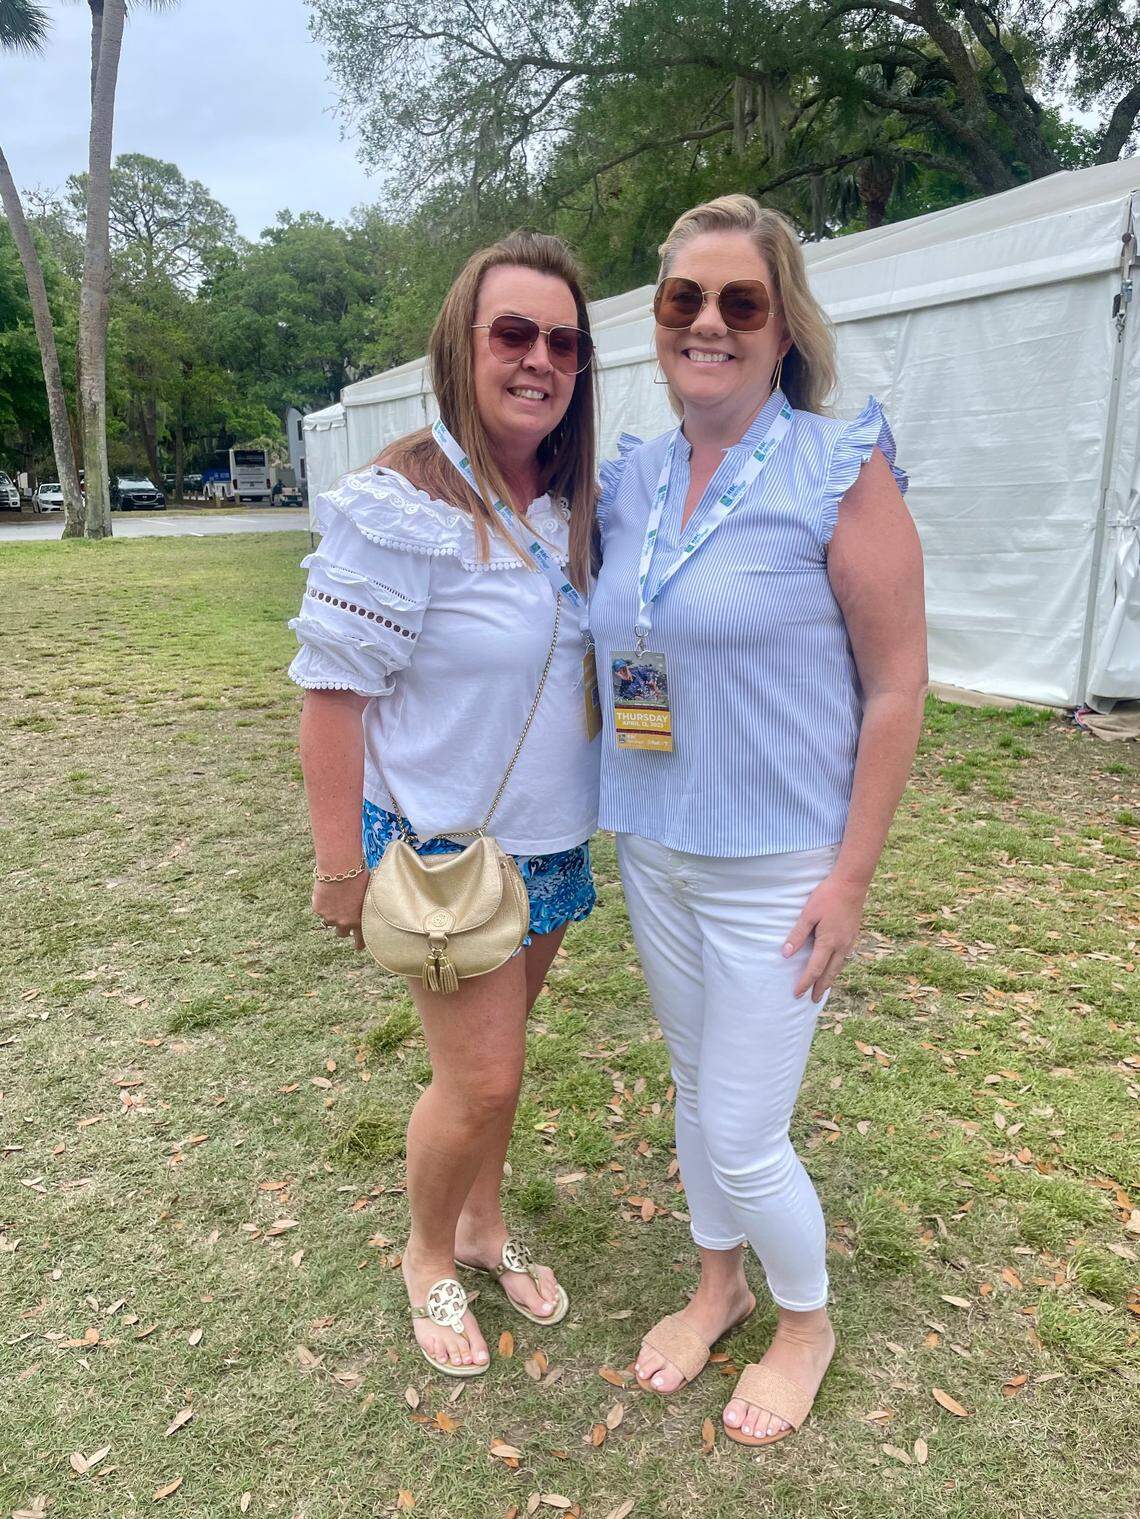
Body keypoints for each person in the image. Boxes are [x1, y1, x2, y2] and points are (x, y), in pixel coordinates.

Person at [589, 195, 927, 1445]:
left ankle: (806, 1320)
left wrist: (852, 879)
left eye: (742, 301)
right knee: (695, 1090)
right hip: (655, 845)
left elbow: (897, 685)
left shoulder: (838, 465)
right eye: (685, 299)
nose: (710, 323)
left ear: (784, 327)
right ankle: (718, 1285)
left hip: (781, 865)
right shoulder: (629, 478)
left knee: (742, 1132)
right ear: (658, 318)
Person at [288, 231, 600, 1378]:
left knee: (501, 1064)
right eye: (513, 333)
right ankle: (427, 1253)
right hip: (441, 854)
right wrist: (339, 866)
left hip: (551, 845)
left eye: (563, 341)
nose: (539, 359)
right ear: (461, 347)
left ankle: (481, 1222)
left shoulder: (573, 503)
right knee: (483, 1077)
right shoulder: (401, 506)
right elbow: (331, 700)